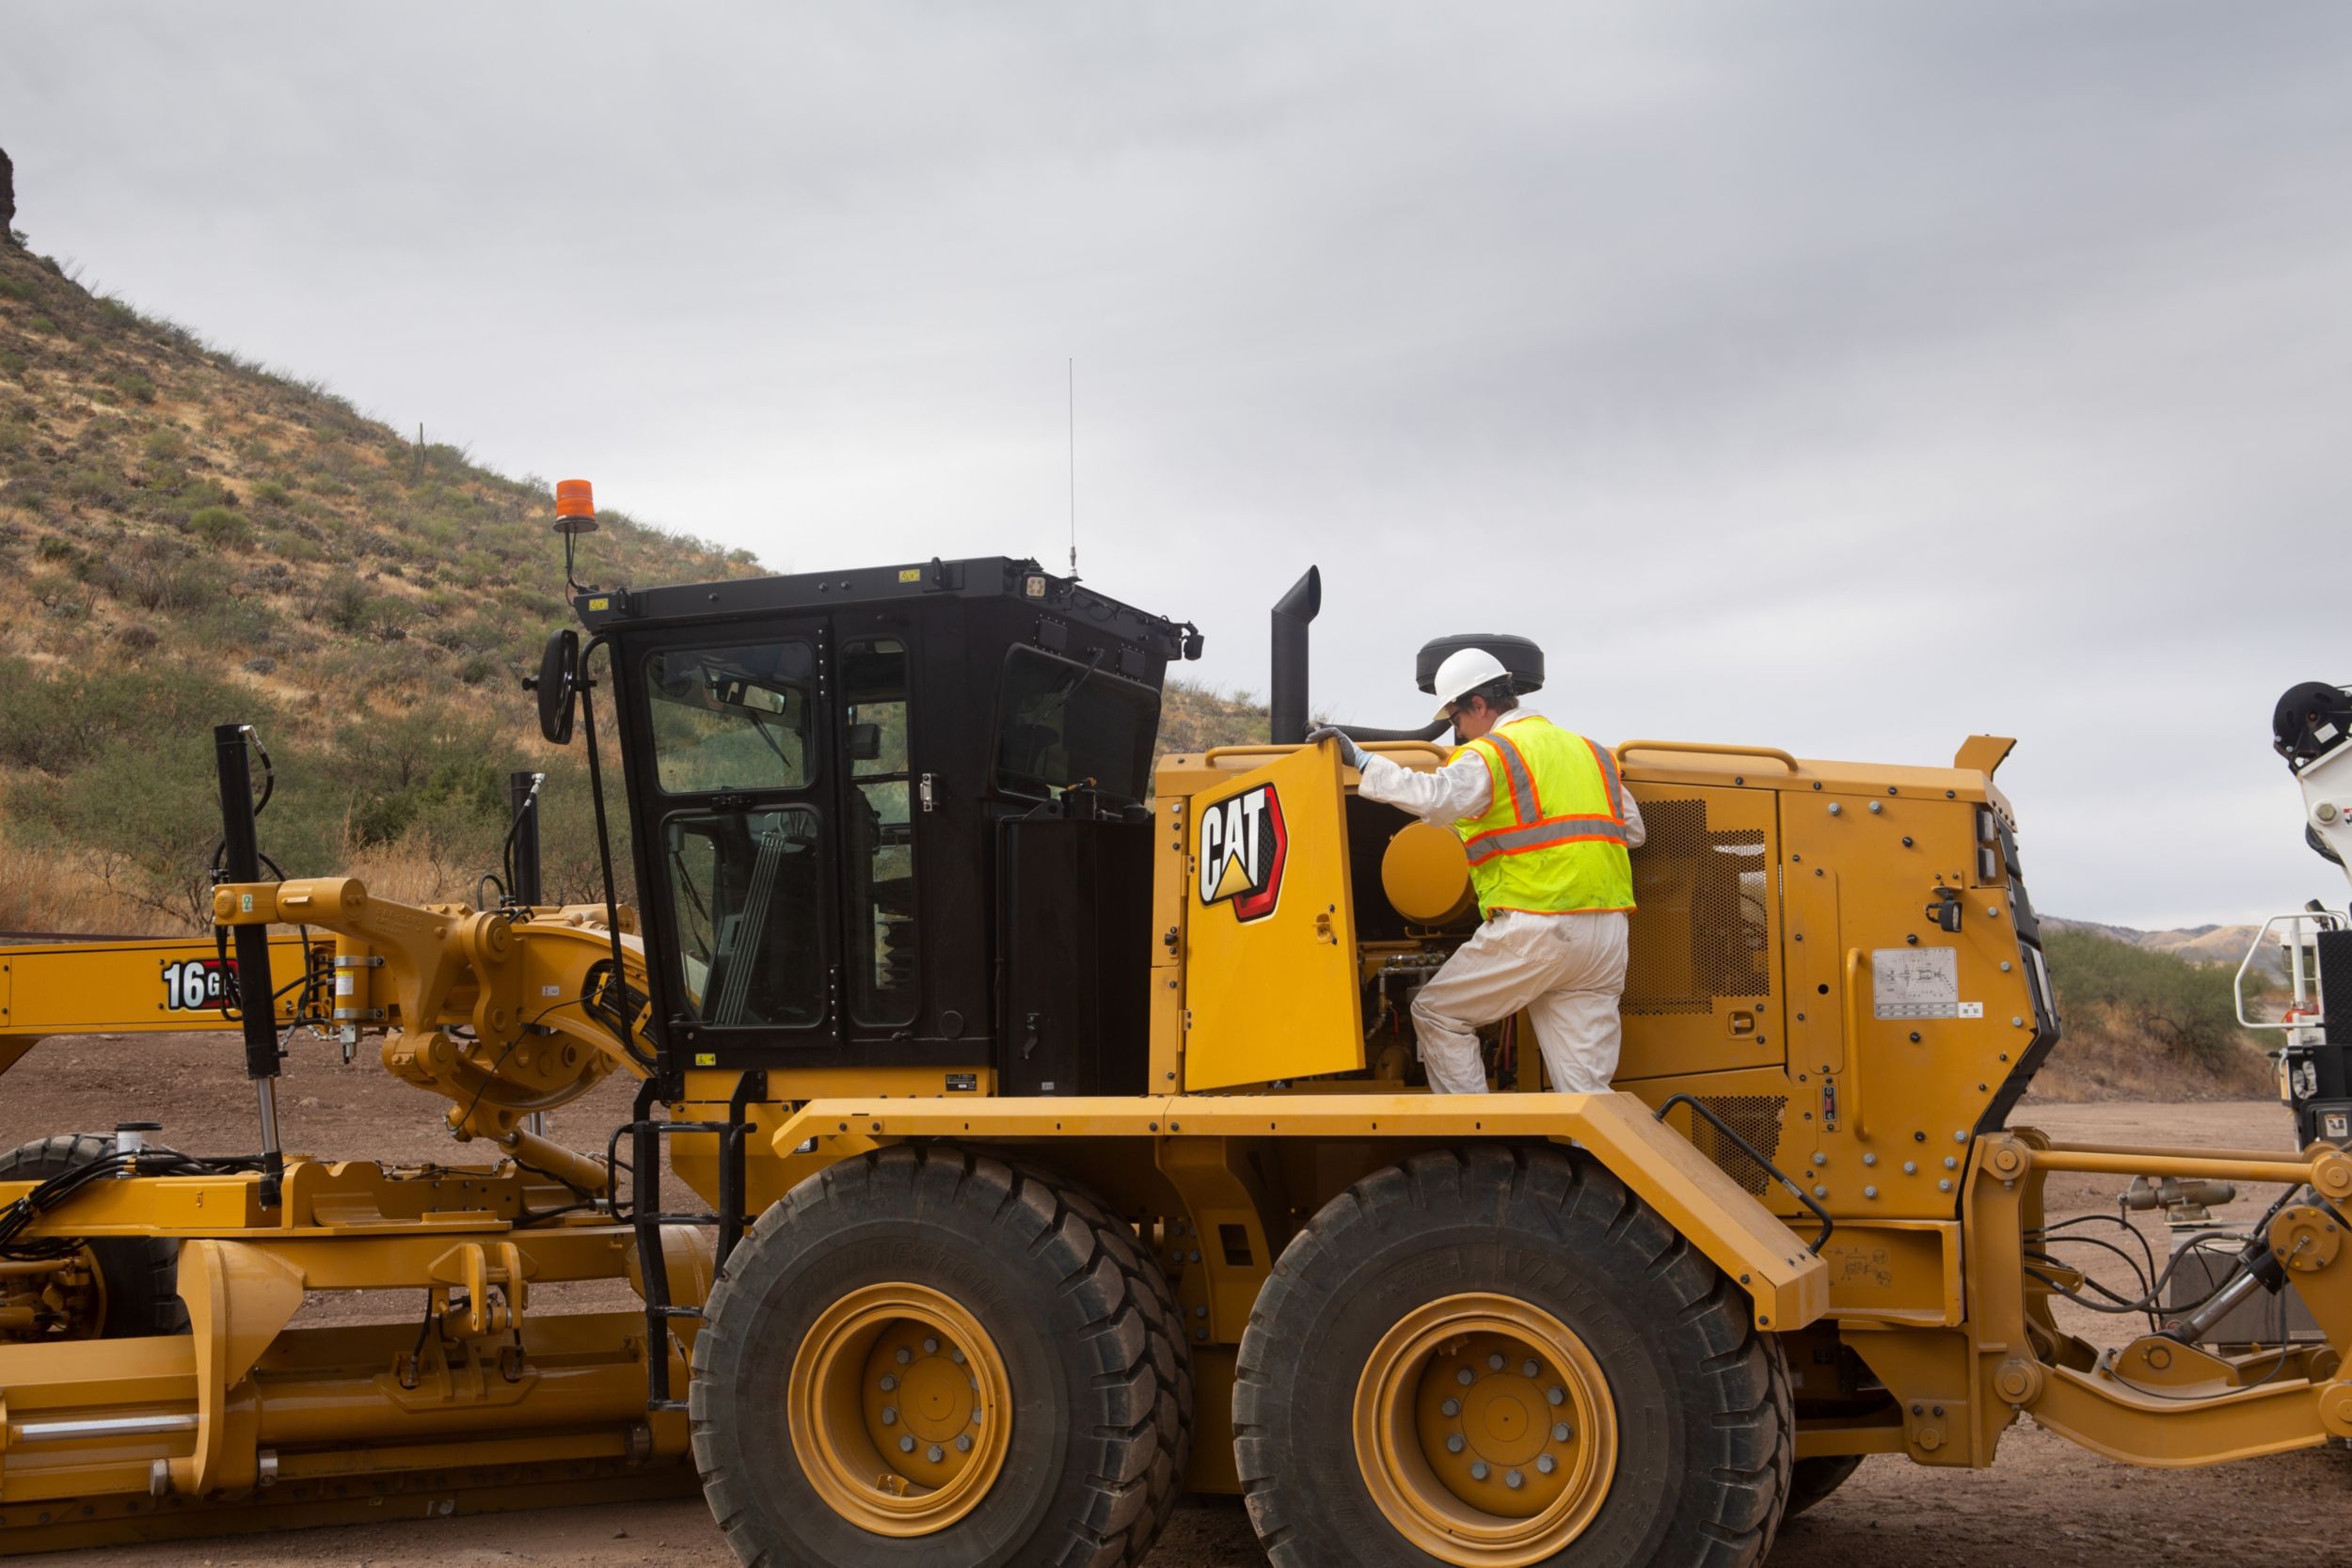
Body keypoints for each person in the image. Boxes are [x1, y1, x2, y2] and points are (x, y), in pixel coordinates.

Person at [1307, 648, 1644, 1095]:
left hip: (1539, 924)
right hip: (1605, 936)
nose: (1457, 733)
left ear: (1480, 705)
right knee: (1586, 1088)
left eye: (1456, 719)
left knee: (1438, 1014)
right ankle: (1594, 1161)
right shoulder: (1591, 753)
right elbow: (1633, 831)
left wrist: (1364, 761)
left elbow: (1436, 798)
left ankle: (1480, 1141)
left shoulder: (1495, 752)